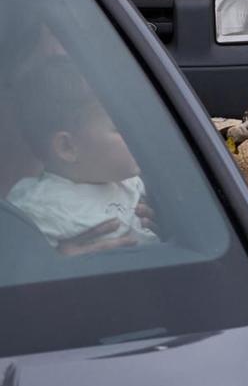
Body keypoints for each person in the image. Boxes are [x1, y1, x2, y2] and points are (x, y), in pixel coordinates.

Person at [6, 55, 156, 256]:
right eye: (119, 127)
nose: (137, 132)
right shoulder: (39, 208)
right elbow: (17, 264)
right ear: (67, 147)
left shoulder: (134, 184)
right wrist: (53, 264)